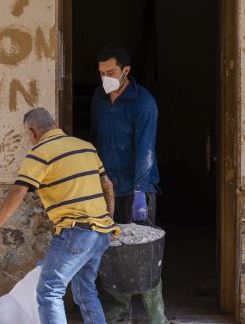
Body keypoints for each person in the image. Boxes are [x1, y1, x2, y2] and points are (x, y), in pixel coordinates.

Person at [0, 107, 119, 324]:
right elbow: (108, 185)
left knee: (49, 292)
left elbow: (18, 191)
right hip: (101, 233)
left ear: (32, 132)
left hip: (76, 233)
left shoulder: (40, 152)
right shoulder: (86, 147)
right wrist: (109, 221)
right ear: (54, 125)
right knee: (86, 292)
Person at [90, 44, 169, 324]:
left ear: (126, 71)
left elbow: (145, 150)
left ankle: (156, 315)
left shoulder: (143, 102)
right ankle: (121, 307)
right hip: (106, 187)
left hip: (138, 188)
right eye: (101, 72)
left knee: (145, 252)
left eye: (110, 72)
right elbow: (95, 141)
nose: (105, 77)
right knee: (111, 249)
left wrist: (139, 194)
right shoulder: (99, 98)